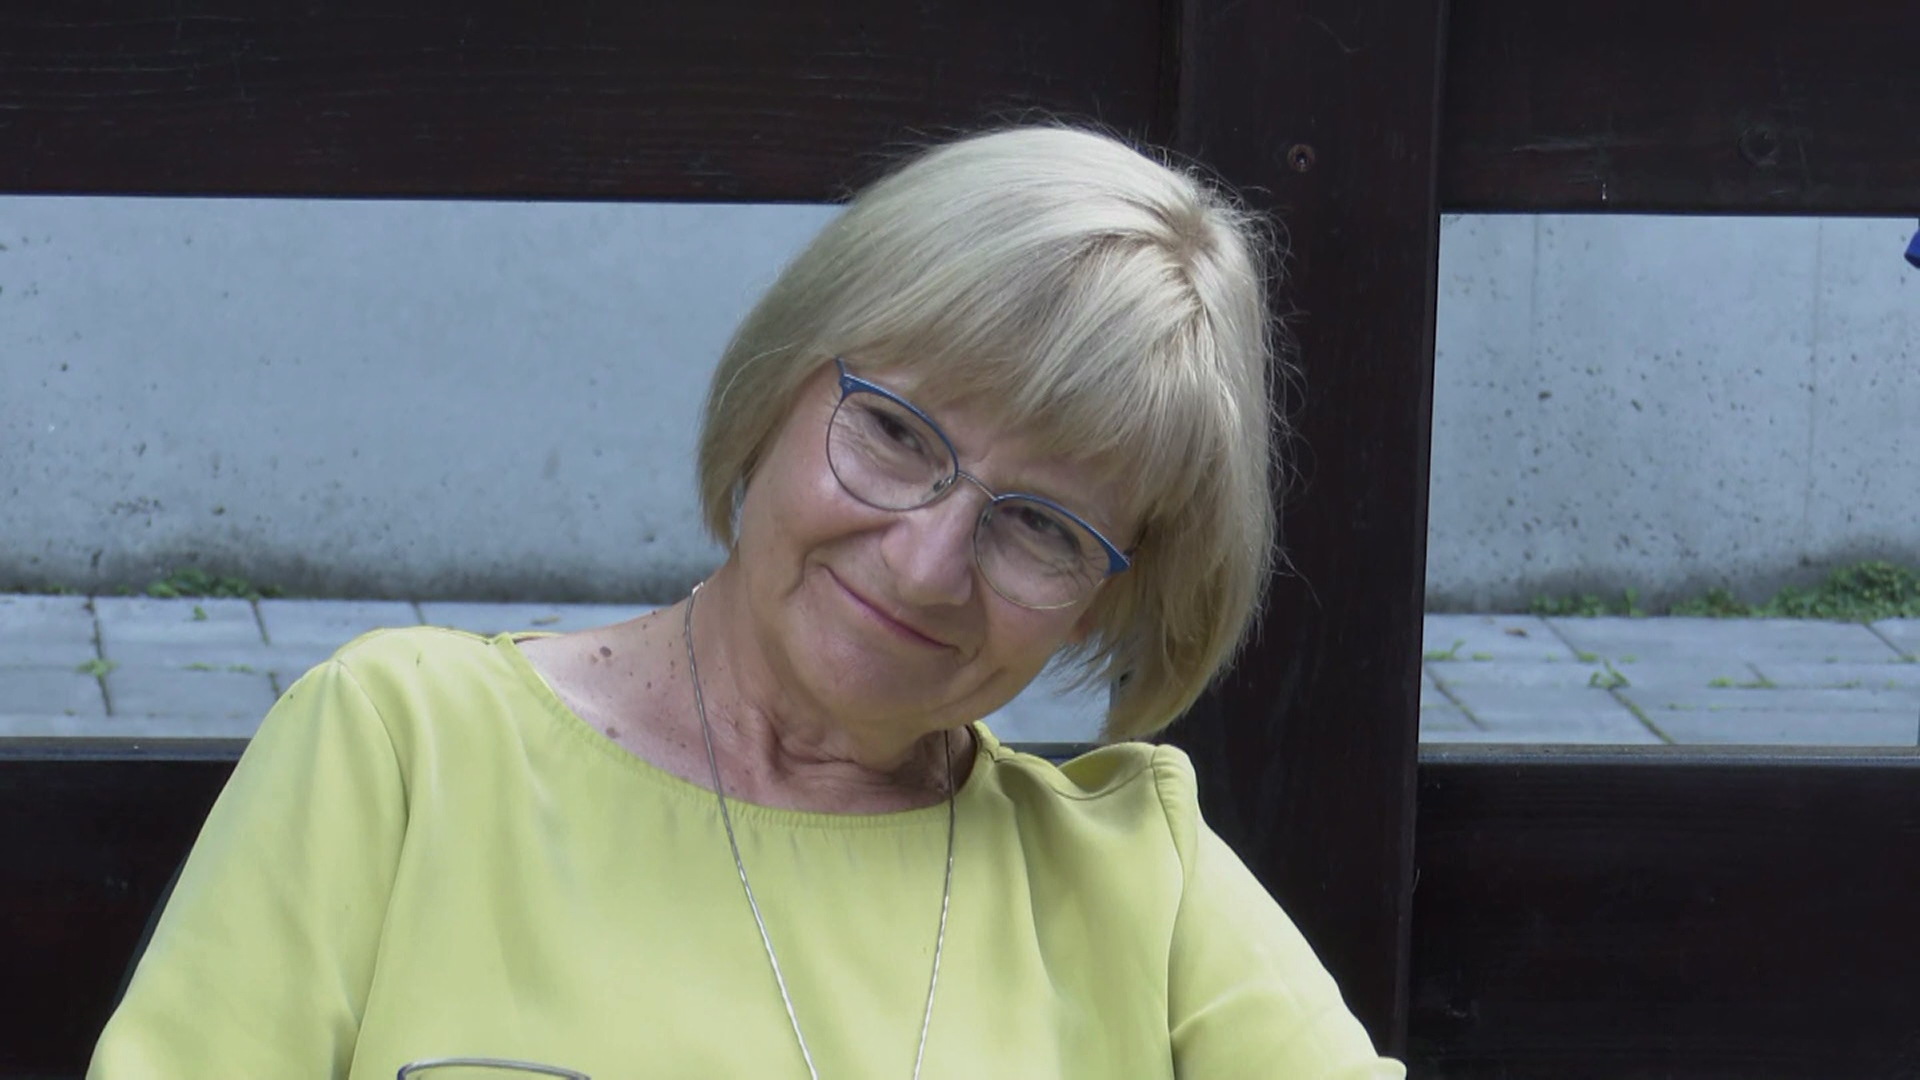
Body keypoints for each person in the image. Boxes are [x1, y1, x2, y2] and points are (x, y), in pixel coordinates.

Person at [90, 125, 1404, 1079]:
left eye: (1040, 528)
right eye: (895, 433)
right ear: (781, 388)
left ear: (1110, 601)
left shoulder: (1142, 892)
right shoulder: (398, 753)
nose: (924, 563)